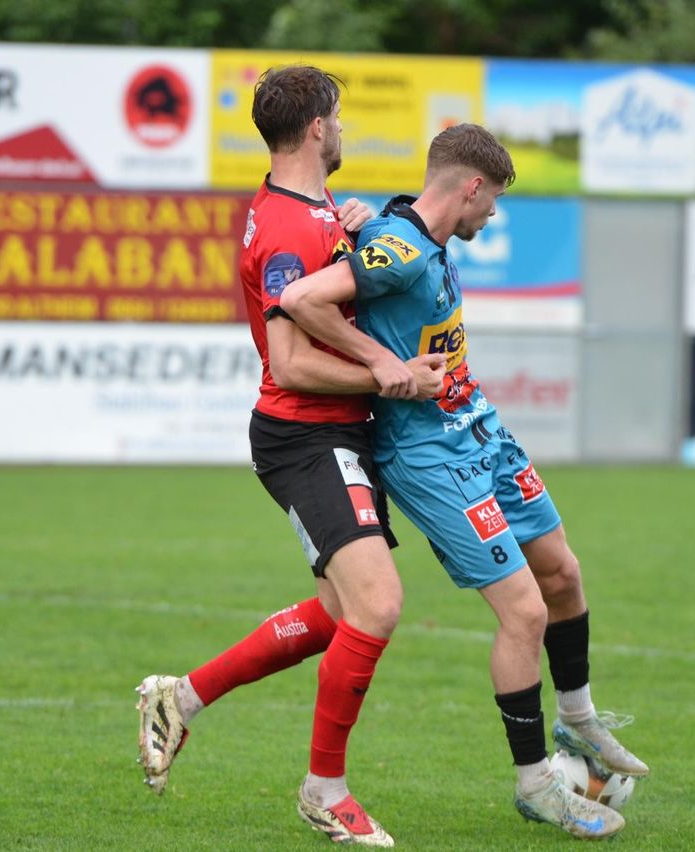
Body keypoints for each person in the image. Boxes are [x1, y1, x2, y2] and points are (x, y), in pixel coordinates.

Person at [280, 123, 649, 840]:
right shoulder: (402, 248)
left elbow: (377, 238)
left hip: (482, 430)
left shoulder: (416, 236)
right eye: (494, 202)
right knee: (525, 613)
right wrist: (380, 366)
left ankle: (580, 724)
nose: (493, 216)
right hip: (429, 457)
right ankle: (536, 784)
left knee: (563, 575)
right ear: (471, 187)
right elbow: (302, 299)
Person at [135, 64, 444, 848]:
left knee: (342, 613)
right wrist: (389, 374)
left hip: (330, 433)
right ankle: (324, 792)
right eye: (337, 118)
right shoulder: (285, 228)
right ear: (316, 128)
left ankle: (183, 697)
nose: (341, 131)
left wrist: (353, 225)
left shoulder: (311, 212)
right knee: (377, 605)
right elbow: (292, 361)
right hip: (306, 435)